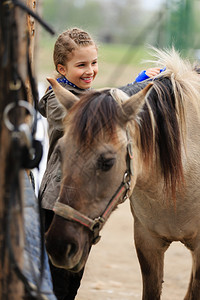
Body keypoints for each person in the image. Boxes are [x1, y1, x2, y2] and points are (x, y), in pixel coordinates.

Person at [38, 27, 164, 300]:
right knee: (56, 286)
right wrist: (137, 85)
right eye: (81, 65)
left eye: (93, 63)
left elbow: (99, 104)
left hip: (80, 203)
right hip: (58, 203)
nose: (89, 70)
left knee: (72, 284)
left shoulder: (87, 96)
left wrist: (134, 84)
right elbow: (92, 112)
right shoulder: (57, 102)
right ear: (61, 69)